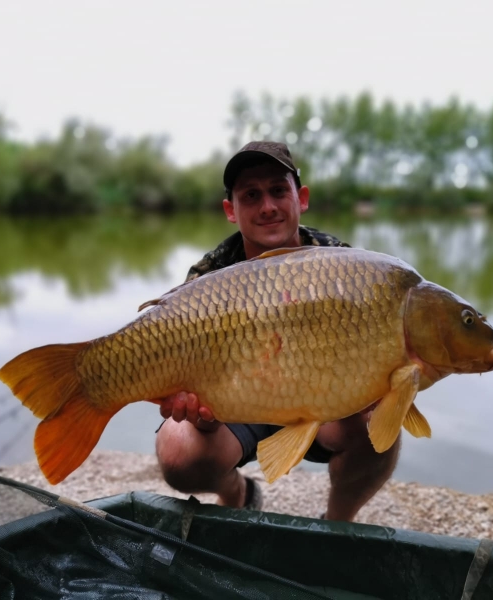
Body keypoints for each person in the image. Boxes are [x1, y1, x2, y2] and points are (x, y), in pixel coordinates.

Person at [154, 141, 401, 521]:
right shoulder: (209, 276)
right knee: (177, 448)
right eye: (251, 195)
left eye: (277, 190)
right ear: (230, 211)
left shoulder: (343, 263)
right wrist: (204, 413)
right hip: (240, 399)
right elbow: (198, 395)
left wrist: (373, 386)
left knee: (384, 424)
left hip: (322, 400)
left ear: (300, 198)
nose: (267, 206)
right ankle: (237, 493)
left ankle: (338, 524)